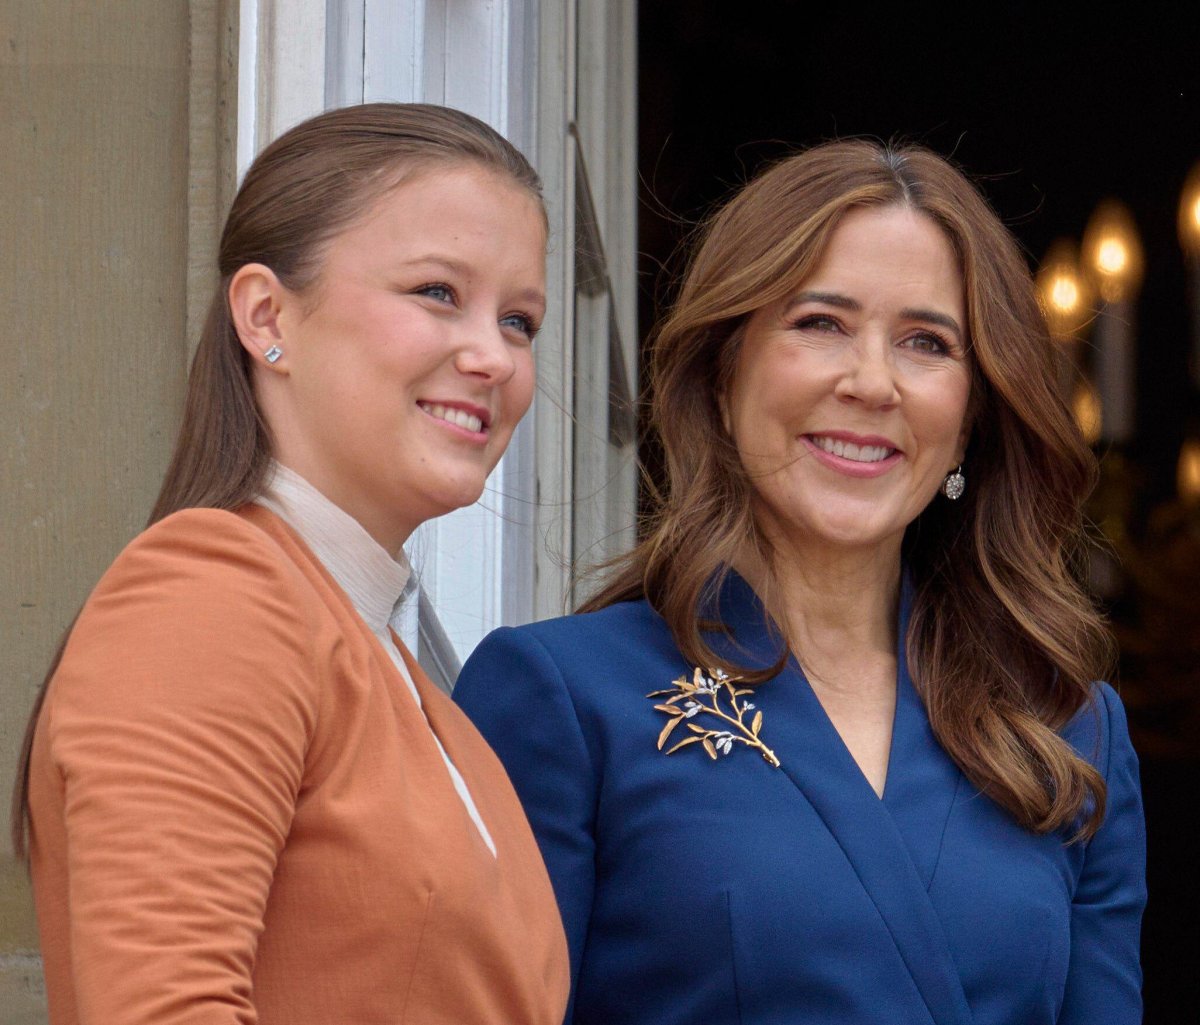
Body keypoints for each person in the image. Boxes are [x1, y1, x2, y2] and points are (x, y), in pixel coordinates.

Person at [453, 140, 1146, 1025]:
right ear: (724, 368)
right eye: (820, 323)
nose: (871, 381)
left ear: (972, 417)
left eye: (926, 342)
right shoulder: (562, 696)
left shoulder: (1069, 731)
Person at [12, 103, 569, 1025]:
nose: (492, 356)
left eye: (520, 320)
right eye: (437, 291)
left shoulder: (413, 689)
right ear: (267, 313)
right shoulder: (213, 594)